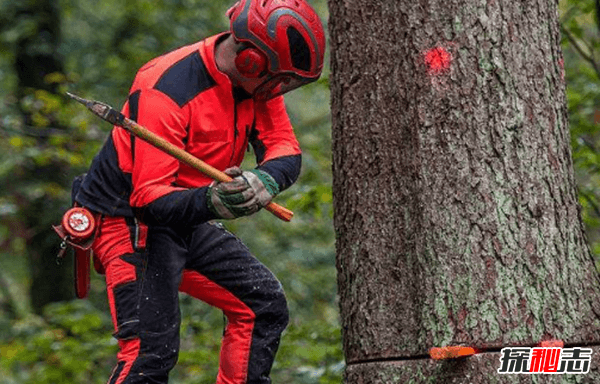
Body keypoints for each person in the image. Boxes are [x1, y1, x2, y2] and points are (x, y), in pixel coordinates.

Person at [71, 0, 325, 382]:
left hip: (186, 210)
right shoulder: (166, 88)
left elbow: (284, 148)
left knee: (262, 305)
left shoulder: (259, 88)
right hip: (129, 218)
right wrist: (213, 201)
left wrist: (267, 180)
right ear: (251, 60)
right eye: (281, 80)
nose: (281, 91)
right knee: (150, 352)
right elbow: (150, 200)